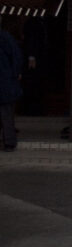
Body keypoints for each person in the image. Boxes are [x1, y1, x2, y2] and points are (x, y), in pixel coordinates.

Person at [0, 20, 23, 151]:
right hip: (6, 82)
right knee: (7, 114)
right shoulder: (6, 38)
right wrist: (16, 74)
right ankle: (9, 142)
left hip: (5, 82)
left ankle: (9, 141)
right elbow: (17, 58)